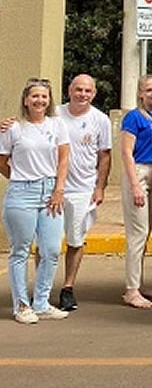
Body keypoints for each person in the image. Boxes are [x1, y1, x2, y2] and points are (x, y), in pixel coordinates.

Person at [1, 78, 70, 323]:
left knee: (51, 250)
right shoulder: (13, 128)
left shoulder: (57, 124)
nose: (40, 100)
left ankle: (41, 302)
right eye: (35, 96)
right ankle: (21, 305)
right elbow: (2, 160)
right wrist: (20, 179)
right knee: (20, 250)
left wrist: (59, 189)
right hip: (21, 194)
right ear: (26, 100)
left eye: (44, 96)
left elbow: (63, 159)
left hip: (51, 190)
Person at [57, 74, 113, 311]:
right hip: (53, 189)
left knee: (75, 240)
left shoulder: (100, 120)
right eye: (78, 89)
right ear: (69, 90)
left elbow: (105, 155)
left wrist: (100, 187)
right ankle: (40, 288)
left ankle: (67, 288)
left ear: (94, 94)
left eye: (87, 91)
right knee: (46, 244)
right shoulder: (55, 114)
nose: (82, 94)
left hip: (82, 189)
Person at [120, 74, 152, 309]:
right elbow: (126, 152)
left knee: (145, 232)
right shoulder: (133, 117)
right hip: (138, 172)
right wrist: (135, 185)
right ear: (140, 93)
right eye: (149, 90)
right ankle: (131, 290)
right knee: (137, 233)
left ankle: (138, 283)